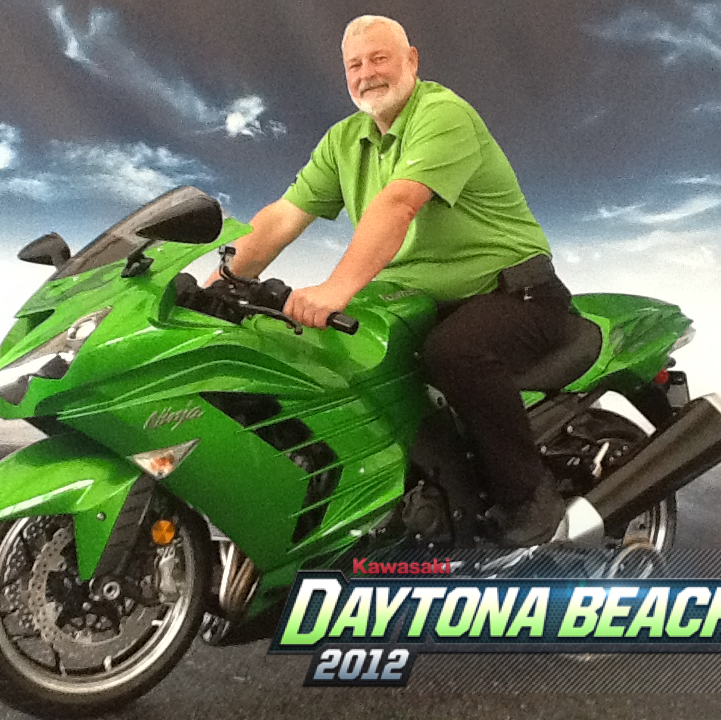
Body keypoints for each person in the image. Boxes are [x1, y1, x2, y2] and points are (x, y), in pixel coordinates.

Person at [206, 15, 575, 546]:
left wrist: (335, 289)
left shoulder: (442, 114)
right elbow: (283, 217)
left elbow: (398, 203)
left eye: (379, 58)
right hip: (419, 301)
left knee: (455, 352)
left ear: (411, 60)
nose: (367, 74)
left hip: (514, 291)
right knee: (325, 355)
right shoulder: (344, 140)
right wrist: (216, 283)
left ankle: (529, 497)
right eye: (354, 65)